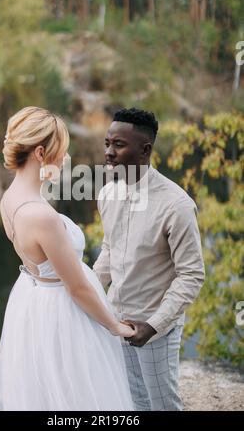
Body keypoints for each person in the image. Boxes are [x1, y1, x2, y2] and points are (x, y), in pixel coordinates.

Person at [0, 106, 135, 411]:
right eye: (63, 152)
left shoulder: (9, 199)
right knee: (80, 397)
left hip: (33, 301)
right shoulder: (40, 214)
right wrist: (115, 326)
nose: (66, 160)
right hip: (64, 314)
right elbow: (77, 288)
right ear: (41, 152)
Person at [93, 107, 205, 411]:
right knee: (132, 402)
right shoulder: (107, 194)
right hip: (116, 320)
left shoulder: (176, 205)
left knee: (163, 405)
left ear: (145, 151)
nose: (109, 153)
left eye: (119, 145)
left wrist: (153, 325)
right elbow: (110, 249)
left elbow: (192, 275)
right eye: (107, 143)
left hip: (155, 326)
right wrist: (87, 290)